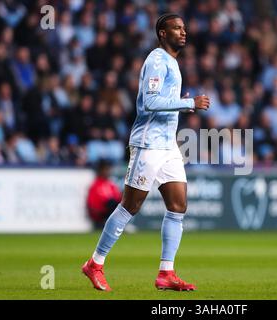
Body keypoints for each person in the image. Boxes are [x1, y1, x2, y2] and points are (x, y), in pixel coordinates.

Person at [81, 13, 210, 292]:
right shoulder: (156, 60)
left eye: (184, 27)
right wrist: (189, 102)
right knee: (131, 206)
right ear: (162, 33)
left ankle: (166, 273)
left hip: (168, 145)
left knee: (178, 206)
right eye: (176, 28)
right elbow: (149, 103)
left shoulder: (172, 63)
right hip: (148, 143)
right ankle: (95, 263)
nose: (183, 32)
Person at [86, 159, 121, 229]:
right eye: (106, 169)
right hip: (101, 216)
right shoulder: (95, 186)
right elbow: (92, 206)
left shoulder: (111, 185)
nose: (108, 172)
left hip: (111, 214)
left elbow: (119, 199)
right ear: (100, 170)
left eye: (108, 169)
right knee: (111, 203)